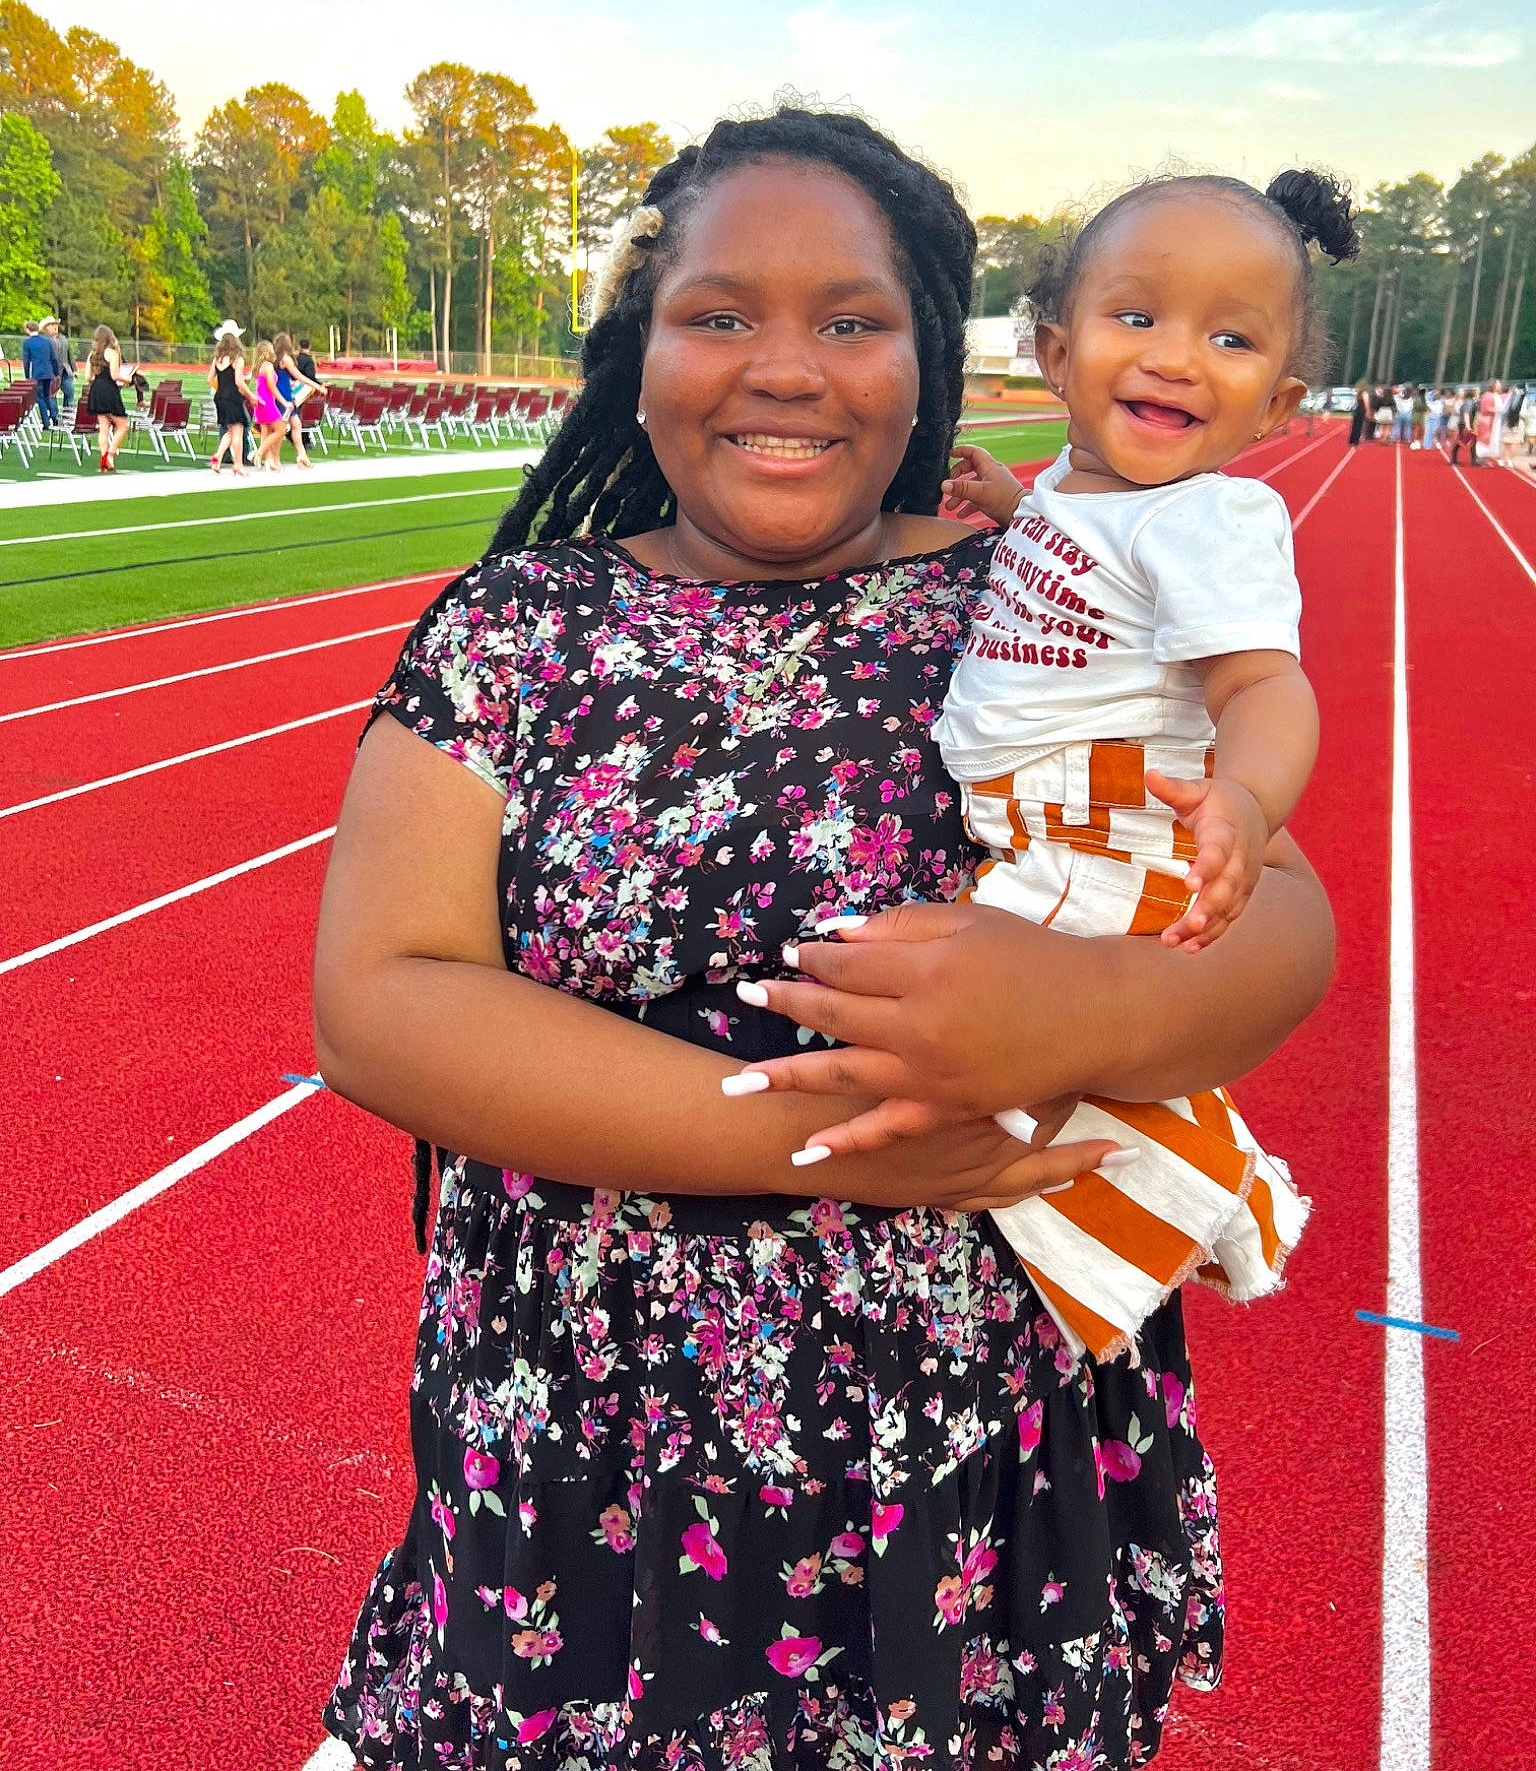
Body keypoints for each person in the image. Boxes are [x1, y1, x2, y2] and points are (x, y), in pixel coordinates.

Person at [313, 107, 1334, 1771]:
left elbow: (1281, 924)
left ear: (928, 355)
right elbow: (381, 1001)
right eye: (718, 313)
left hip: (963, 1463)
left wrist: (1077, 1007)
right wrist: (837, 1142)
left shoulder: (1053, 593)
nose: (785, 366)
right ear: (636, 352)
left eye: (851, 320)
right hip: (597, 1455)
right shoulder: (514, 631)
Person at [885, 169, 1334, 1362]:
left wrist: (1246, 793)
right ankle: (1186, 1194)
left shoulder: (1208, 518)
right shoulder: (1089, 495)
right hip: (1028, 814)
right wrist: (1010, 505)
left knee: (959, 1043)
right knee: (996, 1054)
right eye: (1138, 316)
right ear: (1054, 349)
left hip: (1098, 818)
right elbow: (1080, 565)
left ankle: (1217, 1204)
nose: (1179, 356)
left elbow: (1266, 686)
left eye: (1229, 337)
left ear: (1278, 401)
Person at [84, 326, 133, 472]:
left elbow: (88, 377)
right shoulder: (111, 353)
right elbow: (114, 375)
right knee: (123, 425)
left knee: (103, 429)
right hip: (109, 389)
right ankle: (110, 454)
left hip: (96, 389)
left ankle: (104, 457)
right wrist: (128, 378)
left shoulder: (92, 354)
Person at [208, 324, 254, 475]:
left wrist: (221, 388)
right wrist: (251, 396)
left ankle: (217, 458)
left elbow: (210, 379)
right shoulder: (237, 359)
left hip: (220, 396)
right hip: (233, 397)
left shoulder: (218, 359)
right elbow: (239, 382)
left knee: (229, 431)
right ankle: (238, 464)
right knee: (238, 431)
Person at [272, 330, 317, 467]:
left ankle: (301, 454)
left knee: (296, 425)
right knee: (282, 429)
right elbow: (298, 376)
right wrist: (316, 386)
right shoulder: (285, 358)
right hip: (284, 395)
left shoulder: (274, 358)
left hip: (283, 393)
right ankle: (276, 459)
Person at [250, 339, 287, 469]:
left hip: (260, 404)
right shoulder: (268, 366)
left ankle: (269, 460)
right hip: (268, 404)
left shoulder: (259, 367)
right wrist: (284, 401)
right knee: (280, 429)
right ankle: (259, 453)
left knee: (265, 431)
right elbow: (271, 386)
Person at [21, 319, 59, 429]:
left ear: (28, 329)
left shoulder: (27, 342)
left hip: (37, 373)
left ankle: (46, 422)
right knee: (47, 396)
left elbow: (26, 361)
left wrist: (27, 376)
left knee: (39, 398)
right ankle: (53, 415)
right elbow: (53, 358)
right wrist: (56, 372)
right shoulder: (47, 341)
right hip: (48, 372)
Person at [43, 316, 75, 420]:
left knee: (69, 391)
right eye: (53, 325)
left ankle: (67, 414)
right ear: (46, 328)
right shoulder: (44, 340)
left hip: (66, 371)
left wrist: (74, 370)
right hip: (51, 372)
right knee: (52, 394)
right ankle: (54, 417)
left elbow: (69, 354)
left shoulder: (63, 338)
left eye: (56, 324)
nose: (55, 327)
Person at [1349, 380, 1372, 447]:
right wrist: (1368, 411)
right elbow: (1366, 403)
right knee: (1359, 427)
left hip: (1356, 411)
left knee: (1354, 426)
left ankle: (1352, 441)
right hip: (1361, 411)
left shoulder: (1357, 393)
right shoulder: (1364, 393)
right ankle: (1356, 442)